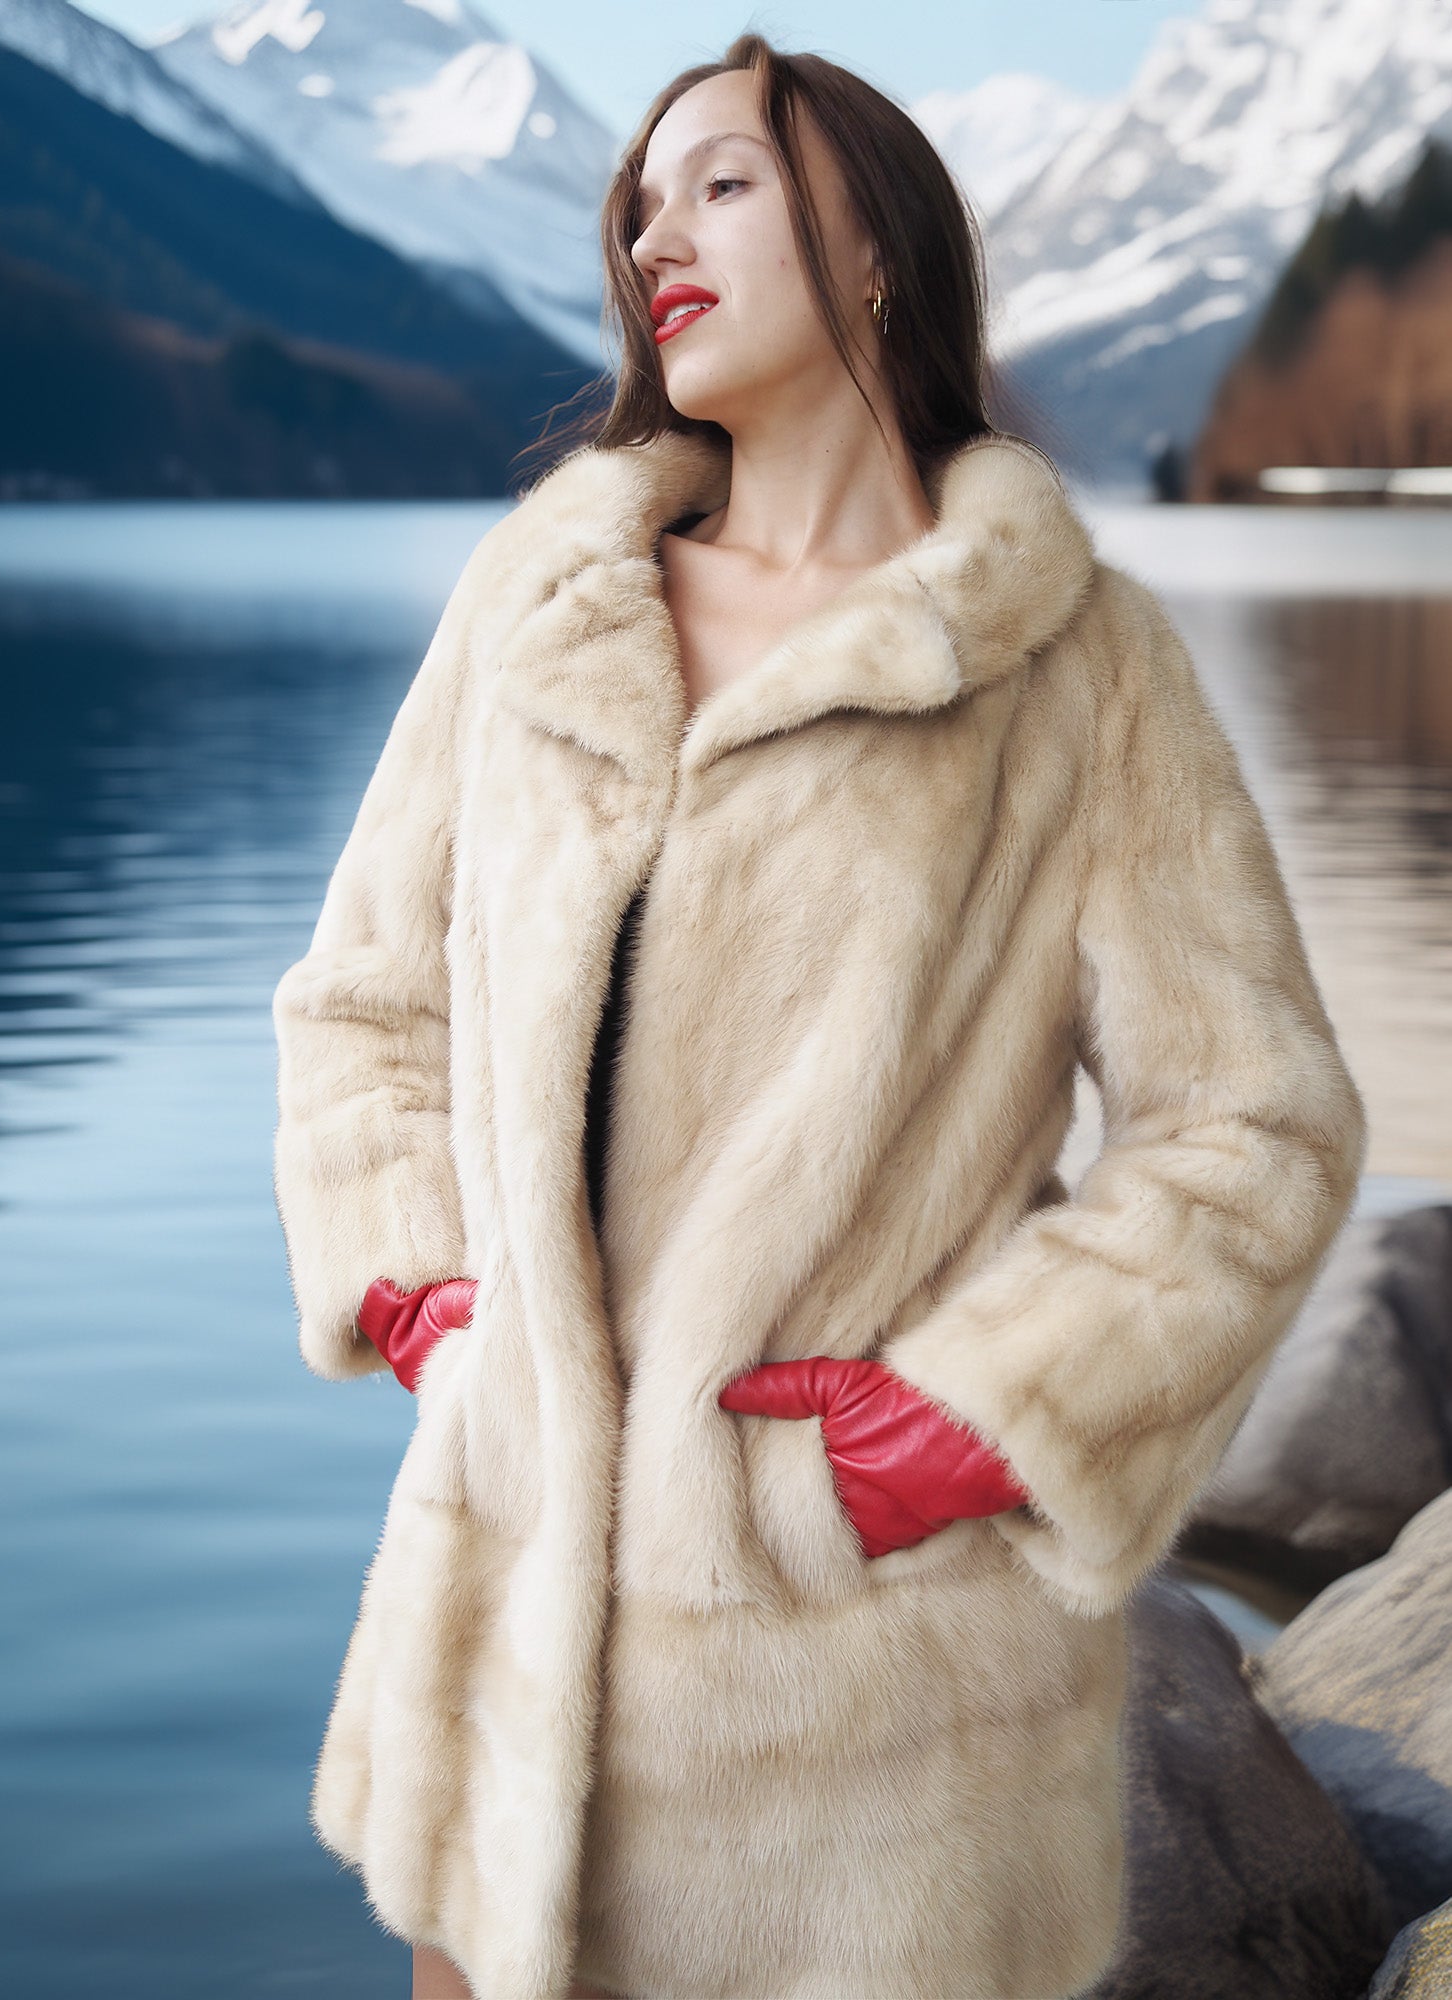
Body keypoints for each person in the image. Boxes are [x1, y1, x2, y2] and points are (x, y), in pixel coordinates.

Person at [270, 32, 1367, 2000]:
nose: (649, 234)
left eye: (721, 184)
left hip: (876, 1750)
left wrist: (955, 1427)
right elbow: (365, 1010)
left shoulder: (1072, 669)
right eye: (635, 200)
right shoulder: (539, 605)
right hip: (502, 1665)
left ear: (874, 248)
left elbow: (1253, 1128)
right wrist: (442, 1312)